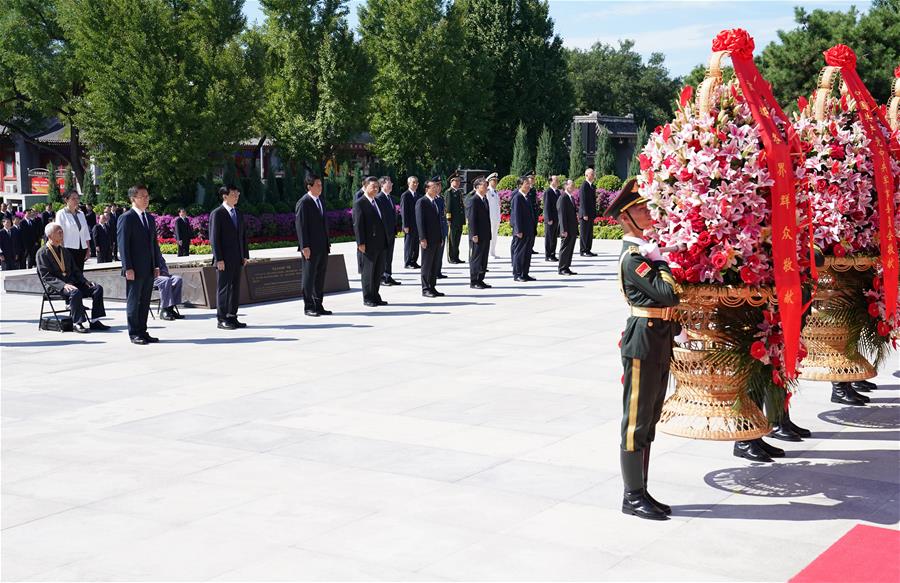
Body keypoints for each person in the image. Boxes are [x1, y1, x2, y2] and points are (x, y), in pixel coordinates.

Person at [605, 178, 680, 521]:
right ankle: (631, 495)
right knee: (635, 420)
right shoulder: (633, 258)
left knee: (649, 418)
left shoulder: (645, 255)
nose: (647, 213)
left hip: (658, 337)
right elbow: (668, 294)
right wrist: (661, 261)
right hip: (642, 339)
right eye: (639, 209)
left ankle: (642, 490)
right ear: (624, 219)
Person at [37, 222, 110, 333]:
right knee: (75, 292)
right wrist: (63, 285)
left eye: (62, 231)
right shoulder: (42, 253)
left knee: (97, 288)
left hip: (71, 283)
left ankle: (95, 321)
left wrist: (85, 281)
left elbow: (75, 270)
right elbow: (46, 276)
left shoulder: (64, 251)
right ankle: (77, 323)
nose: (62, 234)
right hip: (55, 286)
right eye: (59, 232)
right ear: (50, 235)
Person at [118, 184, 162, 344]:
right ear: (133, 198)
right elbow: (123, 245)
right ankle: (134, 333)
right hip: (134, 269)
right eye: (142, 196)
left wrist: (156, 264)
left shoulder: (149, 218)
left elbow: (154, 244)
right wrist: (127, 267)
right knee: (134, 300)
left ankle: (143, 331)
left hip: (149, 267)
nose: (146, 199)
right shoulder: (126, 218)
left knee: (144, 301)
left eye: (147, 196)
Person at [210, 185, 250, 329]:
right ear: (225, 196)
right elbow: (214, 238)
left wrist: (245, 254)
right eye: (234, 194)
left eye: (238, 194)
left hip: (237, 258)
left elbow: (243, 236)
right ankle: (222, 319)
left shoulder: (238, 213)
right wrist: (219, 258)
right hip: (224, 260)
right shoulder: (217, 213)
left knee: (235, 288)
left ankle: (232, 316)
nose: (237, 196)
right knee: (224, 289)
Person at [295, 174, 332, 317]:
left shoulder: (320, 201)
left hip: (322, 246)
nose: (320, 187)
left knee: (320, 276)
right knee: (309, 277)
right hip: (310, 247)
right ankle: (308, 306)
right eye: (317, 185)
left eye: (321, 184)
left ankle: (318, 304)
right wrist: (305, 246)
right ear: (309, 187)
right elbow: (301, 226)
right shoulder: (303, 203)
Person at [352, 176, 389, 307]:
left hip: (380, 243)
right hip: (367, 244)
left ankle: (375, 295)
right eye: (373, 186)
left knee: (378, 271)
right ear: (365, 186)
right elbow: (358, 225)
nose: (376, 188)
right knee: (368, 272)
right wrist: (360, 243)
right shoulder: (360, 203)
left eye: (377, 186)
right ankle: (368, 297)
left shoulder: (377, 201)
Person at [415, 177, 445, 298]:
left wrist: (442, 236)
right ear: (427, 189)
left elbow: (439, 221)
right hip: (427, 239)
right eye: (433, 187)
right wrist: (422, 238)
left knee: (434, 264)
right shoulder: (422, 202)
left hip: (437, 238)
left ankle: (432, 286)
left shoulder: (436, 201)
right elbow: (420, 221)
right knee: (427, 264)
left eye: (437, 187)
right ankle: (426, 288)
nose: (436, 189)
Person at [466, 177, 492, 289]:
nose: (486, 187)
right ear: (477, 187)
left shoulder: (484, 199)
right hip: (477, 235)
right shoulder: (473, 200)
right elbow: (471, 219)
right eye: (484, 185)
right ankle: (474, 280)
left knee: (483, 259)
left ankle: (481, 279)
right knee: (476, 258)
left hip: (485, 234)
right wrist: (473, 235)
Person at [56, 190, 91, 273]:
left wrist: (88, 249)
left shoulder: (81, 214)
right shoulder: (61, 214)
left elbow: (85, 233)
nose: (76, 201)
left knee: (79, 274)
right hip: (68, 249)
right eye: (73, 198)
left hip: (81, 248)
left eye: (77, 198)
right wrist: (61, 251)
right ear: (66, 200)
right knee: (70, 275)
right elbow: (59, 233)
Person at [376, 176, 401, 286]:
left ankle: (388, 275)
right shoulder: (378, 198)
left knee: (389, 256)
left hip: (391, 232)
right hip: (383, 233)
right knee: (383, 256)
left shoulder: (390, 198)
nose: (391, 185)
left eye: (391, 183)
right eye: (389, 183)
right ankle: (381, 277)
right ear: (382, 185)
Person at [510, 177, 535, 282]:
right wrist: (518, 230)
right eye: (526, 184)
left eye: (529, 184)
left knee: (527, 253)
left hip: (528, 230)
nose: (529, 185)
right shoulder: (517, 197)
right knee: (519, 253)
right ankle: (518, 274)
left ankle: (525, 273)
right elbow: (516, 216)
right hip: (521, 231)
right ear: (520, 185)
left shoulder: (527, 197)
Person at [154, 250, 185, 321]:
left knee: (177, 279)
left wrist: (165, 273)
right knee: (166, 280)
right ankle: (164, 310)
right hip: (152, 277)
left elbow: (163, 265)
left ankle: (170, 309)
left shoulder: (157, 252)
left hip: (164, 275)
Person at [557, 179, 579, 275]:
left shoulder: (571, 197)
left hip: (572, 228)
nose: (573, 187)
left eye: (574, 185)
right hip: (566, 229)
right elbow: (561, 215)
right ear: (566, 186)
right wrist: (563, 230)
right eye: (571, 185)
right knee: (565, 248)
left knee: (570, 248)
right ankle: (562, 268)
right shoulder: (563, 198)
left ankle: (567, 266)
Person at [400, 176, 421, 269]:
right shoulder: (405, 195)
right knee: (409, 244)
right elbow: (404, 211)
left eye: (417, 182)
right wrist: (405, 225)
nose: (415, 184)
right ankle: (408, 262)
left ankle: (414, 261)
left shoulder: (418, 195)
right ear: (409, 184)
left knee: (416, 243)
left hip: (417, 224)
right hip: (409, 224)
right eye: (413, 182)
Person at [445, 173, 466, 264]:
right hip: (452, 220)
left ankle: (456, 256)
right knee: (452, 239)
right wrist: (449, 219)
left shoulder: (459, 192)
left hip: (459, 220)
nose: (458, 183)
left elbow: (461, 207)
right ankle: (451, 257)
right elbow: (448, 207)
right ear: (451, 181)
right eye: (456, 181)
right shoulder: (449, 192)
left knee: (457, 239)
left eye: (459, 181)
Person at [579, 168, 597, 256]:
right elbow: (583, 201)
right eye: (592, 174)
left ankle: (588, 249)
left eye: (593, 174)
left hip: (591, 213)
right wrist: (585, 213)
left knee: (589, 232)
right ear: (587, 175)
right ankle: (583, 250)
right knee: (584, 232)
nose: (594, 175)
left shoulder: (592, 186)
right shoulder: (584, 186)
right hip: (585, 214)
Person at [543, 175, 560, 262]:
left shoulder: (558, 192)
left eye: (557, 180)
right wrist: (548, 218)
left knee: (554, 238)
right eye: (556, 180)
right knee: (549, 238)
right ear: (551, 181)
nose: (557, 181)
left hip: (556, 219)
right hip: (550, 219)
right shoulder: (548, 192)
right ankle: (548, 255)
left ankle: (553, 254)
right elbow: (546, 207)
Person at [434, 186, 449, 279]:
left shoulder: (441, 198)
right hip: (436, 228)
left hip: (443, 228)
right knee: (435, 252)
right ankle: (434, 272)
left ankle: (438, 271)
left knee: (440, 251)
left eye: (440, 186)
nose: (439, 188)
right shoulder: (432, 199)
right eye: (437, 186)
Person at [486, 172, 501, 259]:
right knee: (490, 236)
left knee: (494, 235)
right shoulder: (487, 191)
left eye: (496, 181)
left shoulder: (496, 192)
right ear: (489, 181)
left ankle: (493, 252)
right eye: (494, 181)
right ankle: (488, 253)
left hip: (495, 218)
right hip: (490, 217)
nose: (495, 182)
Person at [525, 172, 539, 255]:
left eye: (533, 179)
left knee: (533, 231)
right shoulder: (526, 190)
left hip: (534, 212)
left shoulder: (533, 189)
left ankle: (531, 247)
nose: (533, 180)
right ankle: (528, 247)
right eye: (531, 179)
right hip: (529, 213)